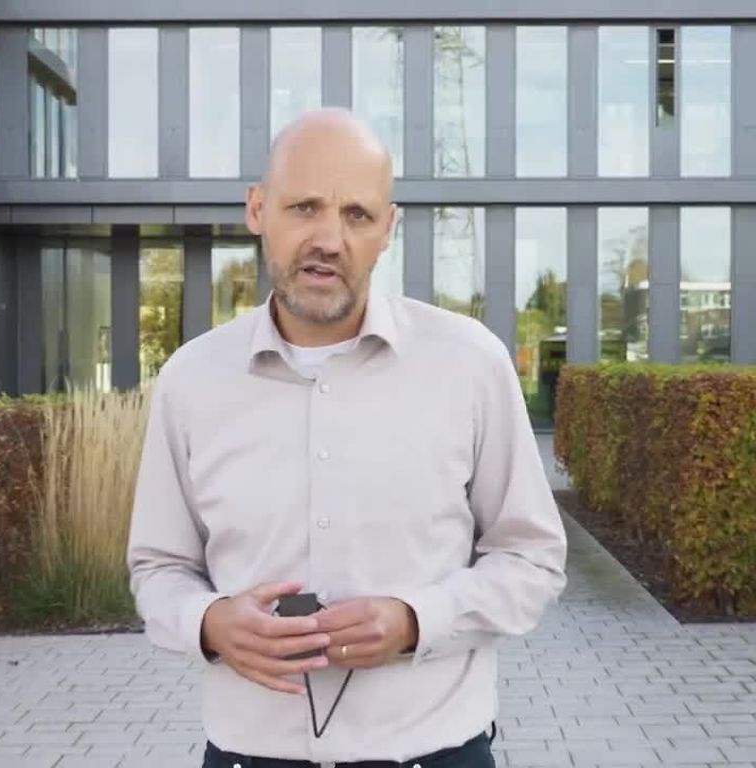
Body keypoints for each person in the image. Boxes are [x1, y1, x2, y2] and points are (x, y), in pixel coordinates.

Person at [127, 108, 567, 768]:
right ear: (257, 210)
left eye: (357, 214)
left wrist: (418, 620)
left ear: (388, 229)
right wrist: (208, 623)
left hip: (436, 753)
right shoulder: (191, 380)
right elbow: (158, 568)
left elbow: (532, 557)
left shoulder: (469, 364)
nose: (329, 239)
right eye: (304, 207)